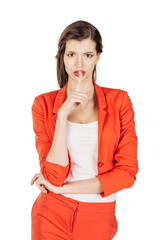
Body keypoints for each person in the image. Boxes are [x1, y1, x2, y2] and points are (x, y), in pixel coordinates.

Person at [30, 20, 139, 240]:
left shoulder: (119, 101)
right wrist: (62, 116)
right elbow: (53, 176)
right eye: (71, 54)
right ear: (62, 57)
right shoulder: (43, 104)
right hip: (51, 216)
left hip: (99, 218)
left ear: (98, 56)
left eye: (88, 55)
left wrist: (62, 189)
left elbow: (127, 174)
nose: (79, 63)